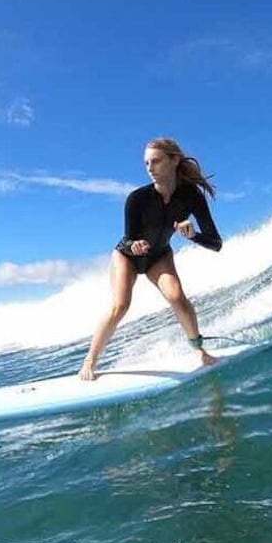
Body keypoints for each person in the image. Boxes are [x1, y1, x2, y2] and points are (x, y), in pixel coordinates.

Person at [78, 137, 223, 381]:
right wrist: (134, 245)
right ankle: (90, 360)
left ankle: (199, 350)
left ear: (174, 160)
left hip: (159, 256)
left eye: (156, 161)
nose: (150, 168)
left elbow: (215, 243)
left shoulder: (191, 195)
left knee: (177, 297)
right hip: (127, 257)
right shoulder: (137, 199)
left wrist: (193, 235)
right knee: (120, 305)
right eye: (146, 163)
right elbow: (127, 240)